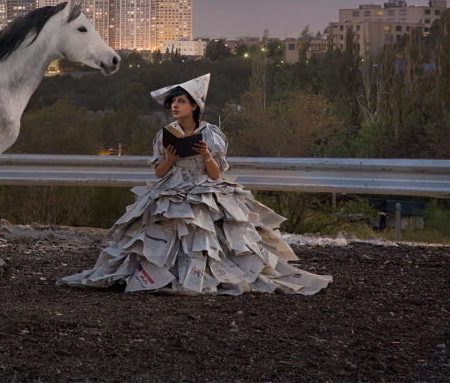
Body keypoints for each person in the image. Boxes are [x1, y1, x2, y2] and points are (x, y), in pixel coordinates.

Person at [58, 74, 331, 295]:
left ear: (194, 106)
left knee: (204, 230)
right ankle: (162, 274)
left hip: (204, 187)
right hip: (172, 187)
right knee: (162, 225)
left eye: (181, 101)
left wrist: (205, 154)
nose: (175, 106)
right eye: (173, 102)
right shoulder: (164, 135)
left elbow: (216, 175)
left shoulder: (212, 134)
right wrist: (171, 158)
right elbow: (158, 172)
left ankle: (203, 275)